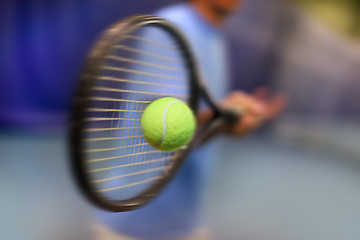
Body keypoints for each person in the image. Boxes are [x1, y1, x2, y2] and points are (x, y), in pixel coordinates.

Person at [94, 0, 286, 239]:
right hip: (135, 225)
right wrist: (226, 114)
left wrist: (231, 118)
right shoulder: (172, 27)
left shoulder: (214, 34)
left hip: (186, 224)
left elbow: (196, 128)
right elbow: (164, 131)